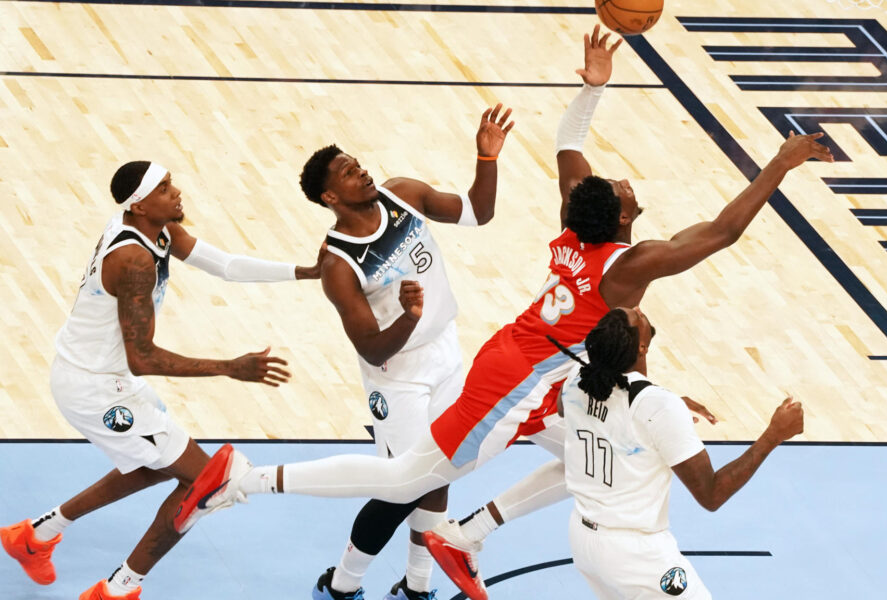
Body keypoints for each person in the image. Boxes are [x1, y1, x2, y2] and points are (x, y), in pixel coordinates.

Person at [173, 25, 832, 600]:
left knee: (590, 461)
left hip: (545, 367)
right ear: (624, 219)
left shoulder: (578, 217)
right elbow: (721, 233)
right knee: (407, 478)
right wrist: (778, 162)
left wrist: (595, 86)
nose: (627, 183)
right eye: (626, 188)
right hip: (516, 379)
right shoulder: (625, 267)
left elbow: (568, 141)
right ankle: (245, 479)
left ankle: (468, 535)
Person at [0, 161, 322, 600]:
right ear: (139, 204)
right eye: (164, 188)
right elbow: (143, 357)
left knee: (155, 468)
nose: (176, 193)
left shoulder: (157, 230)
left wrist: (305, 271)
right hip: (95, 388)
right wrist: (230, 367)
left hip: (101, 375)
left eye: (172, 184)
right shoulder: (134, 259)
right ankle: (117, 590)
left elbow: (224, 265)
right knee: (205, 482)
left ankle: (35, 536)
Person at [297, 103, 514, 600]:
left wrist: (487, 160)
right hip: (398, 376)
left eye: (359, 163)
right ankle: (341, 585)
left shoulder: (404, 195)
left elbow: (479, 212)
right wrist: (409, 318)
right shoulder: (338, 265)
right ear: (330, 196)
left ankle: (417, 587)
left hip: (446, 352)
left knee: (441, 470)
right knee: (403, 484)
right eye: (350, 173)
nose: (363, 171)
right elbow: (371, 349)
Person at [552, 307, 804, 599]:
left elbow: (569, 407)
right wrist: (773, 435)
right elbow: (712, 495)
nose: (638, 309)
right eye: (636, 317)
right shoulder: (656, 407)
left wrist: (654, 413)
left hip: (584, 540)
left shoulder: (579, 378)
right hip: (635, 553)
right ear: (642, 347)